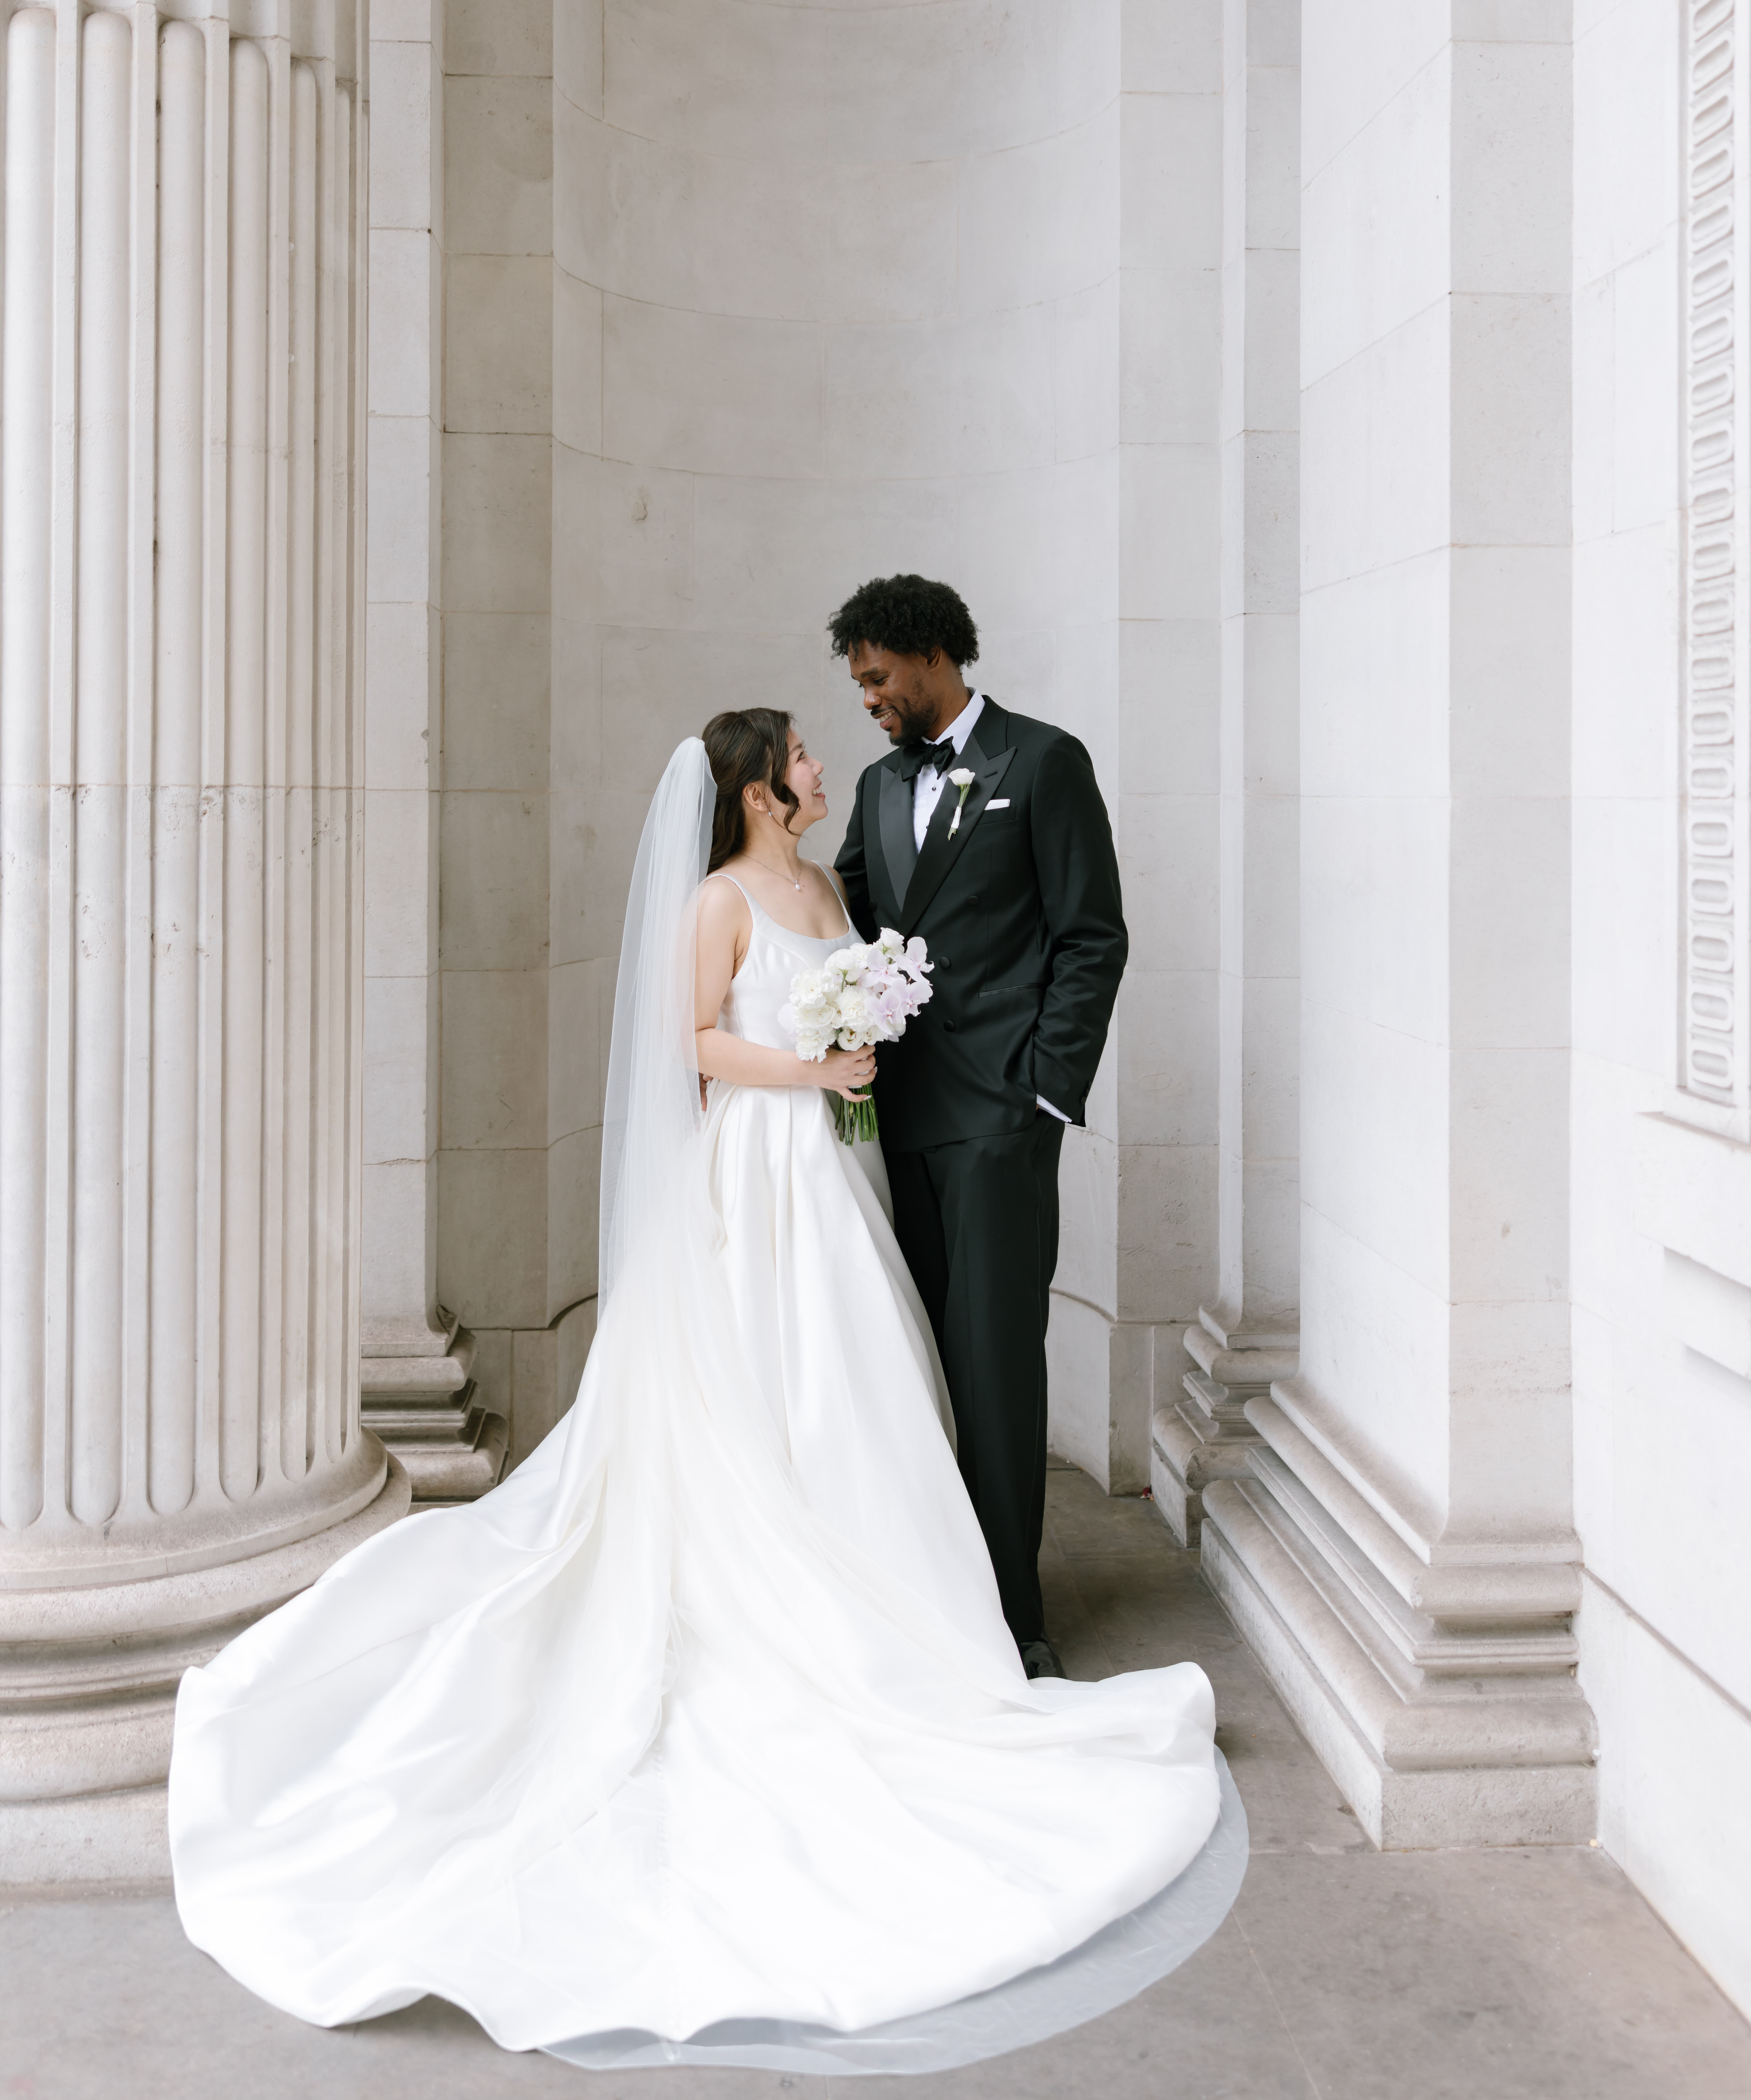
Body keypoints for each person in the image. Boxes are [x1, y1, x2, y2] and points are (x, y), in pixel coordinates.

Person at [167, 710, 1219, 2062]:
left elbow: (865, 984)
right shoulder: (719, 898)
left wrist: (866, 1044)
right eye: (801, 755)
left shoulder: (827, 882)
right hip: (762, 1169)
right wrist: (814, 1063)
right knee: (779, 1388)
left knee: (867, 1384)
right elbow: (696, 1045)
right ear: (757, 788)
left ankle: (918, 1608)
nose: (824, 764)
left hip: (841, 1172)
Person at [832, 576, 1127, 1677]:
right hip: (890, 1115)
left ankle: (1012, 1620)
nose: (866, 698)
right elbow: (852, 924)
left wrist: (1048, 1088)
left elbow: (1092, 935)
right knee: (911, 1365)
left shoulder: (1043, 761)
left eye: (874, 675)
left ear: (926, 655)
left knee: (995, 1365)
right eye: (858, 682)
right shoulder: (871, 784)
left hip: (1002, 1118)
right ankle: (927, 1599)